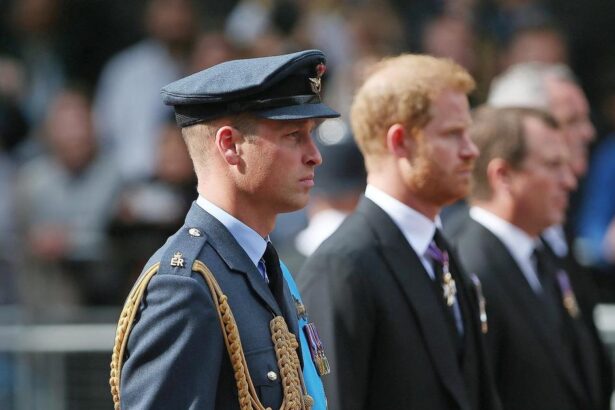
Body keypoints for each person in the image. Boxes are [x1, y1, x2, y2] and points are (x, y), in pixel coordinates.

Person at [110, 49, 339, 410]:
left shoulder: (263, 263)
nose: (314, 155)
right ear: (230, 146)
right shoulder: (185, 286)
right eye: (294, 135)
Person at [298, 54, 501, 410]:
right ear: (400, 142)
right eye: (453, 134)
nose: (471, 150)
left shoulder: (444, 255)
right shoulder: (342, 267)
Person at [447, 106, 612, 410]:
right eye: (552, 165)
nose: (569, 181)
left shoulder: (545, 254)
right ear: (503, 175)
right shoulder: (470, 268)